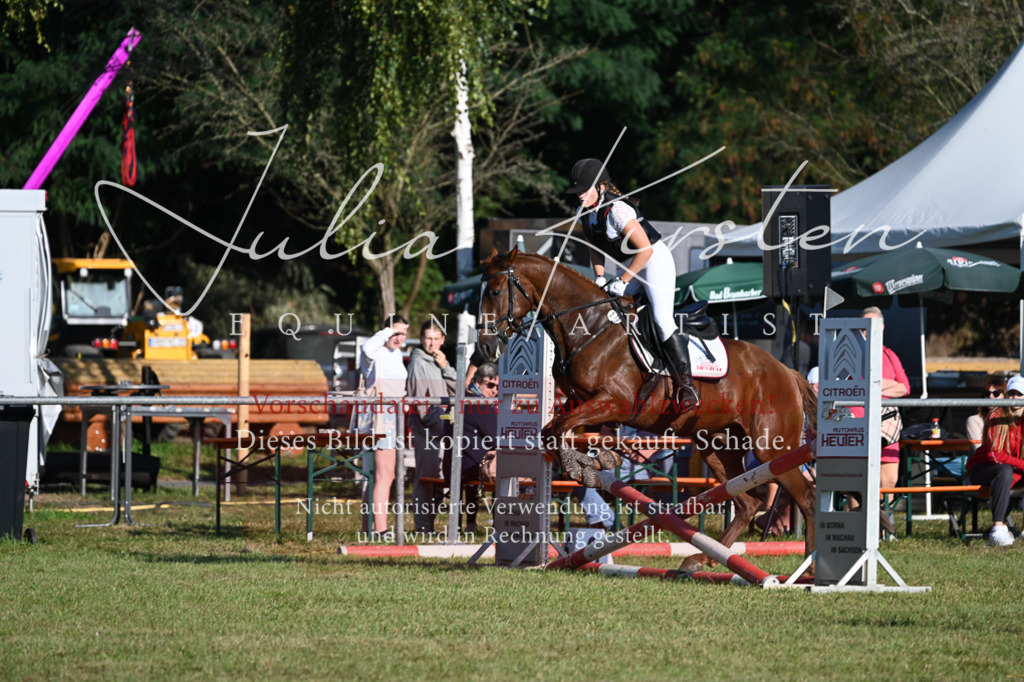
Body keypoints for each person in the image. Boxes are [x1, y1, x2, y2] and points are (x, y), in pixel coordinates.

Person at [566, 158, 699, 410]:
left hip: (652, 260)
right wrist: (600, 278)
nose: (580, 195)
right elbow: (595, 247)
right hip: (628, 265)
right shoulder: (583, 212)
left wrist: (623, 281)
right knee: (612, 316)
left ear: (601, 187)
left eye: (584, 189)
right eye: (577, 191)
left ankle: (686, 385)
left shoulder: (618, 210)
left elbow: (646, 250)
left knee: (662, 319)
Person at [406, 319, 458, 534]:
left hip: (444, 428)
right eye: (428, 338)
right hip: (428, 430)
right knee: (425, 479)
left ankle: (428, 525)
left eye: (436, 338)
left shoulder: (439, 361)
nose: (432, 342)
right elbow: (419, 402)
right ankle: (423, 527)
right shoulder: (418, 362)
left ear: (443, 340)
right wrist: (437, 426)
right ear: (421, 339)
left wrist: (445, 367)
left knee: (441, 480)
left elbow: (457, 391)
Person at [360, 315, 409, 539]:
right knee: (384, 475)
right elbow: (367, 347)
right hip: (381, 417)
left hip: (394, 417)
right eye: (395, 333)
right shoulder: (376, 351)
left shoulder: (396, 354)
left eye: (403, 334)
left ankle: (372, 526)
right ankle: (380, 529)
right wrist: (386, 332)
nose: (398, 338)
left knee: (386, 474)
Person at [966, 374, 1024, 546]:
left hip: (1011, 471)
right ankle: (998, 529)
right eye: (1011, 393)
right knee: (1004, 470)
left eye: (1019, 394)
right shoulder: (996, 415)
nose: (1014, 398)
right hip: (983, 469)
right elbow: (995, 455)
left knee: (1006, 471)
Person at [443, 361, 500, 534]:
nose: (494, 391)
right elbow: (496, 437)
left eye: (498, 387)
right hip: (471, 467)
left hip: (451, 466)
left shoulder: (459, 399)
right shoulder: (479, 404)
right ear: (477, 381)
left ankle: (470, 524)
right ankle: (503, 525)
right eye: (490, 385)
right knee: (508, 472)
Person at [859, 307, 910, 493]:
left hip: (887, 424)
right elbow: (857, 387)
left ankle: (884, 521)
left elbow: (905, 388)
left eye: (874, 324)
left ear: (882, 327)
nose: (869, 329)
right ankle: (858, 521)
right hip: (858, 424)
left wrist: (875, 384)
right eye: (865, 325)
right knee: (859, 481)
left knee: (889, 480)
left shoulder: (889, 354)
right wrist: (888, 384)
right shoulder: (851, 354)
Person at [967, 377, 1006, 453]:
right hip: (984, 461)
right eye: (987, 394)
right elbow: (978, 449)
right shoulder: (974, 420)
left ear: (1005, 396)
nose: (991, 397)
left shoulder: (1010, 418)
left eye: (996, 393)